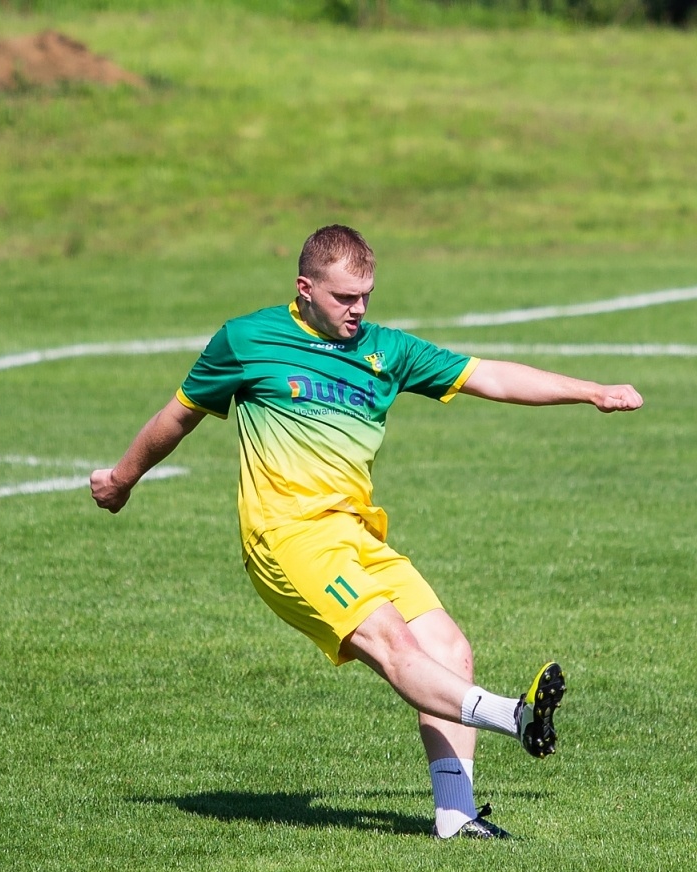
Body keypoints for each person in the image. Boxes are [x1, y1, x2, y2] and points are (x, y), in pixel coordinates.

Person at [91, 225, 644, 836]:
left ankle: (456, 820)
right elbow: (179, 415)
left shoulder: (385, 350)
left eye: (366, 297)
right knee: (393, 646)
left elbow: (489, 376)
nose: (357, 310)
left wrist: (590, 391)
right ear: (304, 289)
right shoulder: (247, 341)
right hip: (287, 539)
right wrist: (122, 478)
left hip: (357, 536)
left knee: (450, 650)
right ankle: (515, 716)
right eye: (344, 298)